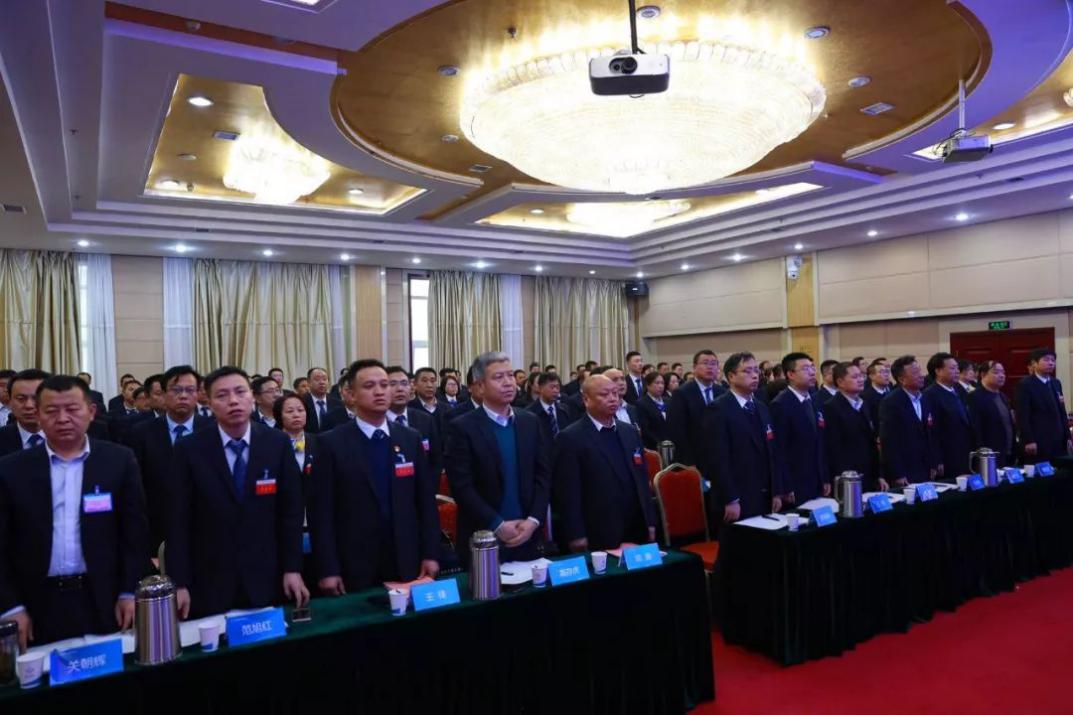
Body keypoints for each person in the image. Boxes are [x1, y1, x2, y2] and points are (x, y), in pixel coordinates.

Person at [0, 374, 149, 649]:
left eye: (72, 409)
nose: (63, 418)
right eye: (51, 411)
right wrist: (10, 606)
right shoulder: (11, 469)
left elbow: (134, 534)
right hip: (34, 602)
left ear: (91, 412)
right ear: (39, 414)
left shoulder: (118, 460)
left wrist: (129, 591)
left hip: (103, 597)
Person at [167, 366, 308, 619]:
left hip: (269, 574)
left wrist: (292, 568)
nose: (233, 401)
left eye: (240, 392)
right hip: (209, 578)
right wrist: (179, 583)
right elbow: (178, 520)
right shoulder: (189, 449)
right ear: (208, 403)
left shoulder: (276, 443)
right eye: (222, 395)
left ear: (252, 397)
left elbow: (290, 512)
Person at [309, 360, 440, 593]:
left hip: (407, 557)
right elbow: (321, 513)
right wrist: (328, 569)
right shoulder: (331, 443)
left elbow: (425, 503)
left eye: (384, 385)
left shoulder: (410, 438)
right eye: (369, 386)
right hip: (354, 562)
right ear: (350, 394)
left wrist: (431, 553)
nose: (379, 391)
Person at [444, 352, 550, 564]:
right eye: (498, 377)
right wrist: (497, 524)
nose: (508, 382)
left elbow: (543, 476)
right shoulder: (462, 427)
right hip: (483, 538)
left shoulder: (530, 421)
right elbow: (461, 486)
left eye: (510, 375)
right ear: (480, 386)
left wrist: (533, 521)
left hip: (528, 534)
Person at [554, 375, 657, 552]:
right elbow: (568, 492)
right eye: (604, 394)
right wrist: (576, 533)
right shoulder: (570, 437)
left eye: (615, 393)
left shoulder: (629, 431)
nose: (612, 399)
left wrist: (650, 521)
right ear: (586, 399)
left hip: (635, 525)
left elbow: (642, 479)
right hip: (597, 529)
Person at [124, 365, 214, 557]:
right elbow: (135, 487)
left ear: (198, 394)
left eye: (190, 390)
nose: (183, 396)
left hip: (207, 529)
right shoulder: (141, 433)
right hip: (156, 529)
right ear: (164, 394)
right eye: (176, 390)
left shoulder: (213, 430)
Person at [701, 352, 784, 522]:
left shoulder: (761, 407)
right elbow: (717, 459)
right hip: (737, 498)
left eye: (756, 370)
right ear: (731, 376)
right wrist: (730, 498)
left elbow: (772, 452)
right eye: (747, 371)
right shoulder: (718, 409)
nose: (754, 375)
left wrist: (776, 491)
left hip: (764, 494)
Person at [771, 353, 830, 504]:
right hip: (795, 482)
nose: (812, 372)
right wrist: (785, 486)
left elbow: (820, 443)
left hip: (816, 479)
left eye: (812, 368)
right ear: (790, 374)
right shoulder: (781, 404)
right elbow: (779, 450)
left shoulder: (814, 400)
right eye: (805, 369)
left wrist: (824, 477)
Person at [823, 362, 884, 491]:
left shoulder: (864, 404)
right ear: (840, 382)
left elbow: (871, 442)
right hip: (847, 477)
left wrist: (878, 475)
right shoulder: (831, 407)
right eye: (855, 377)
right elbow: (833, 448)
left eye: (861, 376)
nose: (861, 380)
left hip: (868, 474)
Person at [879, 355, 939, 486]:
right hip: (905, 470)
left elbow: (930, 433)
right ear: (901, 379)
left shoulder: (924, 398)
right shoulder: (891, 402)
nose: (921, 375)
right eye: (915, 372)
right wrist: (897, 473)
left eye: (920, 371)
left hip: (925, 467)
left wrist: (933, 463)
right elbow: (889, 441)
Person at [666, 349, 725, 466]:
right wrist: (689, 461)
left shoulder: (722, 392)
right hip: (692, 459)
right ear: (694, 367)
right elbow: (676, 431)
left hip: (719, 458)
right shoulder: (682, 393)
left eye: (713, 364)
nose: (710, 367)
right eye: (705, 363)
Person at [1016, 347, 1071, 463]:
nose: (1051, 363)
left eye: (1053, 360)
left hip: (1059, 439)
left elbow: (1062, 411)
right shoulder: (1025, 384)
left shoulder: (1056, 383)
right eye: (1046, 359)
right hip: (1038, 439)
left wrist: (1068, 437)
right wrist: (1029, 440)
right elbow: (1023, 415)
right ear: (1034, 363)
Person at [386, 366, 442, 479]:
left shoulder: (425, 420)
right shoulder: (376, 421)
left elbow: (435, 459)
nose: (400, 389)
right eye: (393, 384)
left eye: (404, 383)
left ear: (411, 387)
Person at [924, 352, 974, 477]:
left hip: (965, 452)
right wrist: (937, 460)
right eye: (952, 368)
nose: (957, 371)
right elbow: (932, 431)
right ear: (938, 371)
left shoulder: (958, 390)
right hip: (947, 456)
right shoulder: (931, 395)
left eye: (957, 368)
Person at [967, 360, 1015, 467]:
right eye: (996, 372)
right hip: (988, 455)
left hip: (1006, 452)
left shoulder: (1003, 396)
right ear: (983, 375)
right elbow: (976, 429)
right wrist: (981, 454)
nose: (1001, 375)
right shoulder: (975, 397)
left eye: (1003, 372)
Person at [0, 369, 49, 457]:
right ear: (10, 401)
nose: (29, 405)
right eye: (21, 399)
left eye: (36, 398)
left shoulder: (70, 438)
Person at [274, 393, 316, 478]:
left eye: (300, 410)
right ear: (279, 415)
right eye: (290, 411)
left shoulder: (319, 443)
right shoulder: (272, 444)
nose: (296, 415)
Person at [526, 371, 572, 446]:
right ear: (541, 388)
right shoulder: (530, 413)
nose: (555, 391)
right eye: (552, 387)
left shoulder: (564, 409)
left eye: (557, 387)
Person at [634, 370, 670, 450]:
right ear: (648, 385)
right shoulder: (642, 403)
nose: (661, 386)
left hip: (671, 445)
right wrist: (660, 444)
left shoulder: (668, 401)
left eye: (662, 383)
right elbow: (645, 429)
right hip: (654, 446)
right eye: (657, 383)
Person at [302, 367, 343, 433]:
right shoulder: (302, 403)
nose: (321, 382)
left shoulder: (338, 403)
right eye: (317, 379)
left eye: (324, 379)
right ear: (308, 383)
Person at [862, 358, 892, 428]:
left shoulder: (892, 393)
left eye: (887, 372)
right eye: (881, 372)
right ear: (871, 376)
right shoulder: (865, 397)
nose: (886, 375)